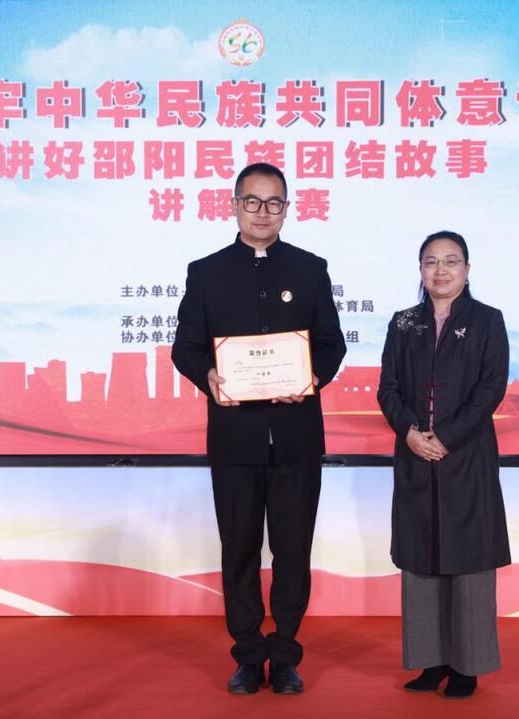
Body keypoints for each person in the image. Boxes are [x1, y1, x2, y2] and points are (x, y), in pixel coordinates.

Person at [171, 162, 346, 695]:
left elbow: (332, 343)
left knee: (293, 552)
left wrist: (312, 377)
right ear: (234, 205)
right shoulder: (206, 272)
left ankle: (285, 653)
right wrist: (208, 376)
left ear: (287, 209)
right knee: (240, 551)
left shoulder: (310, 269)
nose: (262, 212)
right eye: (252, 201)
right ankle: (248, 654)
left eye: (273, 203)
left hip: (296, 437)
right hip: (234, 438)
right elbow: (185, 347)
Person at [377, 230, 511, 700]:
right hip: (415, 455)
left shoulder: (488, 320)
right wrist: (411, 433)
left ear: (467, 270)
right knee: (421, 558)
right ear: (420, 270)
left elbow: (491, 389)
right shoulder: (403, 323)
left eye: (451, 261)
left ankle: (467, 668)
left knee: (469, 560)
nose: (441, 270)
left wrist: (447, 438)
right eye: (431, 261)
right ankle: (431, 662)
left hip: (467, 456)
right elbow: (387, 388)